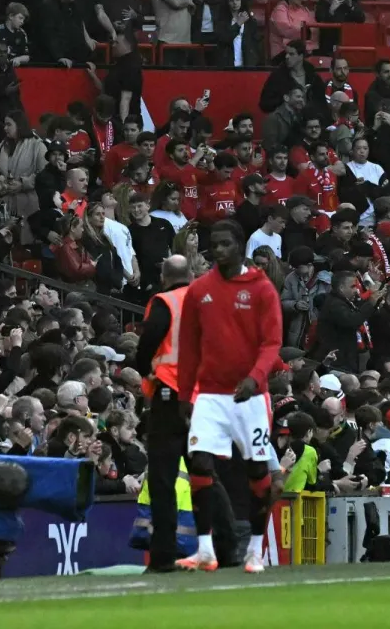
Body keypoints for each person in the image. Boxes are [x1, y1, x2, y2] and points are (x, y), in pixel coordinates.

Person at [173, 220, 283, 574]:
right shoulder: (199, 290)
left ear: (239, 246)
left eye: (224, 244)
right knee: (200, 464)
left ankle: (254, 547)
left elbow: (271, 343)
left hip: (250, 397)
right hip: (209, 394)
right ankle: (205, 548)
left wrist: (255, 377)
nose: (218, 251)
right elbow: (189, 347)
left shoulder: (261, 288)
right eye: (214, 245)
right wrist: (185, 394)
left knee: (255, 470)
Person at [132, 254, 194, 572]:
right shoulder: (204, 301)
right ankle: (227, 546)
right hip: (202, 399)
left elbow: (148, 343)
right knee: (206, 477)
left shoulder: (165, 302)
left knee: (162, 477)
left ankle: (163, 556)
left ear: (164, 277)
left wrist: (145, 369)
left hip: (169, 396)